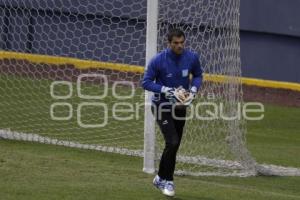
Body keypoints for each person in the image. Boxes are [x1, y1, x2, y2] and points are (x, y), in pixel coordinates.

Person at [142, 28, 203, 197]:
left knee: (173, 145)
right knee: (173, 141)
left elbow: (198, 75)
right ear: (168, 43)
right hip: (161, 105)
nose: (179, 46)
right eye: (176, 43)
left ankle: (160, 178)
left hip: (180, 107)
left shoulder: (191, 58)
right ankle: (168, 181)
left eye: (182, 42)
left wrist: (193, 90)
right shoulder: (158, 60)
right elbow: (146, 82)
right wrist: (166, 90)